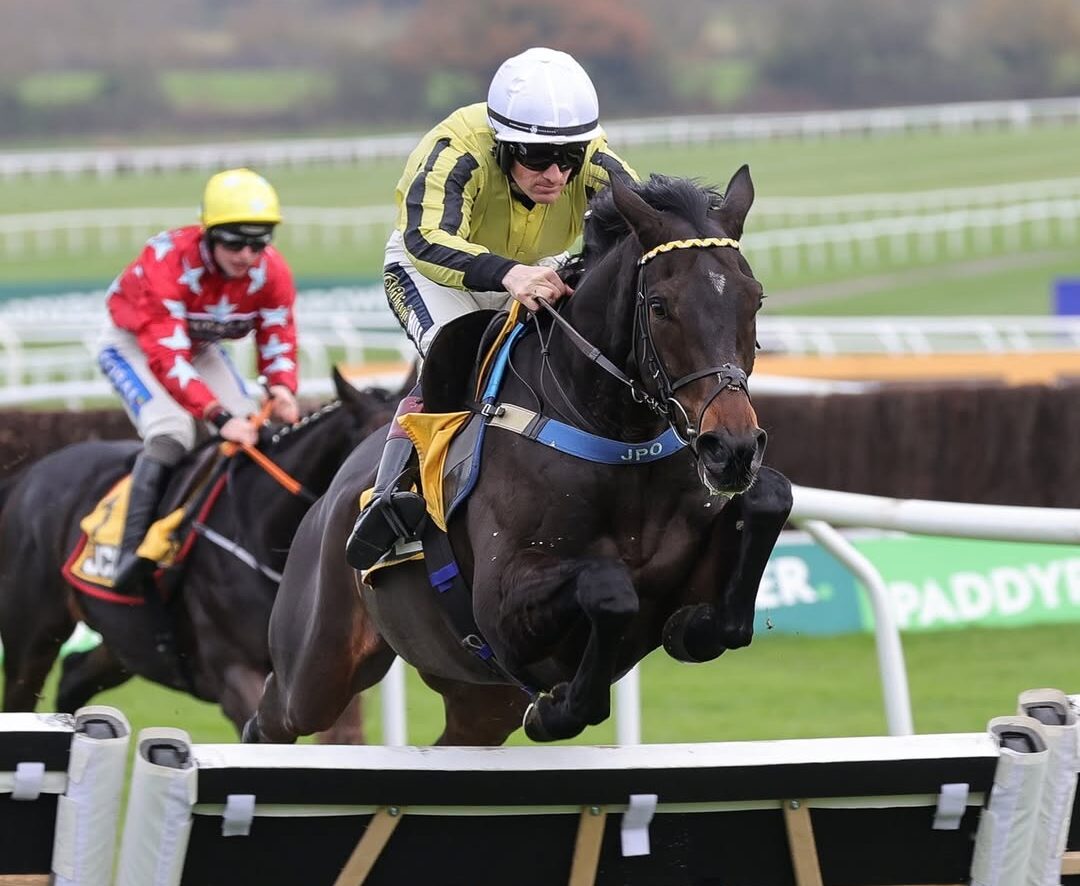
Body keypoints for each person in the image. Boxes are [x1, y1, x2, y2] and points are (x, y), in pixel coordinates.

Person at [345, 46, 638, 570]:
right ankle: (388, 496)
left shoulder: (593, 158)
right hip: (432, 270)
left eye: (568, 159)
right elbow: (425, 237)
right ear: (502, 145)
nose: (555, 175)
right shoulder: (455, 149)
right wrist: (509, 274)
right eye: (536, 158)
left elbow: (646, 218)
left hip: (530, 265)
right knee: (456, 356)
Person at [98, 167, 301, 590]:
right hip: (134, 345)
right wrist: (216, 415)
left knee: (254, 428)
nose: (247, 255)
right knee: (172, 431)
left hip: (198, 346)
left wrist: (282, 386)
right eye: (234, 242)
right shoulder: (166, 262)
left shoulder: (272, 272)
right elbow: (166, 357)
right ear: (208, 233)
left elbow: (278, 333)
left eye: (258, 243)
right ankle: (129, 553)